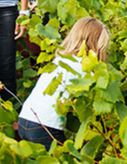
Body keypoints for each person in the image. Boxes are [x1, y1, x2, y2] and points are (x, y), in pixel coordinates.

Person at [18, 18, 110, 149]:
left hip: (25, 118)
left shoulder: (62, 59)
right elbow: (102, 93)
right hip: (45, 126)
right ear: (96, 46)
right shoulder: (83, 67)